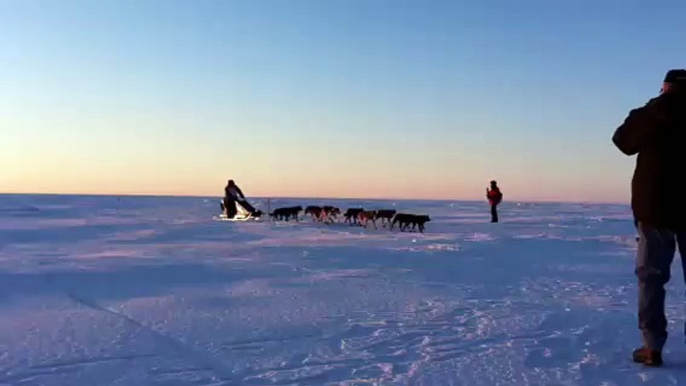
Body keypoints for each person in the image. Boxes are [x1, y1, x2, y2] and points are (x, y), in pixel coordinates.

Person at [613, 69, 686, 367]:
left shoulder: (650, 112)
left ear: (665, 87)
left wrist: (652, 109)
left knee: (652, 278)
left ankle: (652, 347)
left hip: (655, 209)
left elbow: (623, 143)